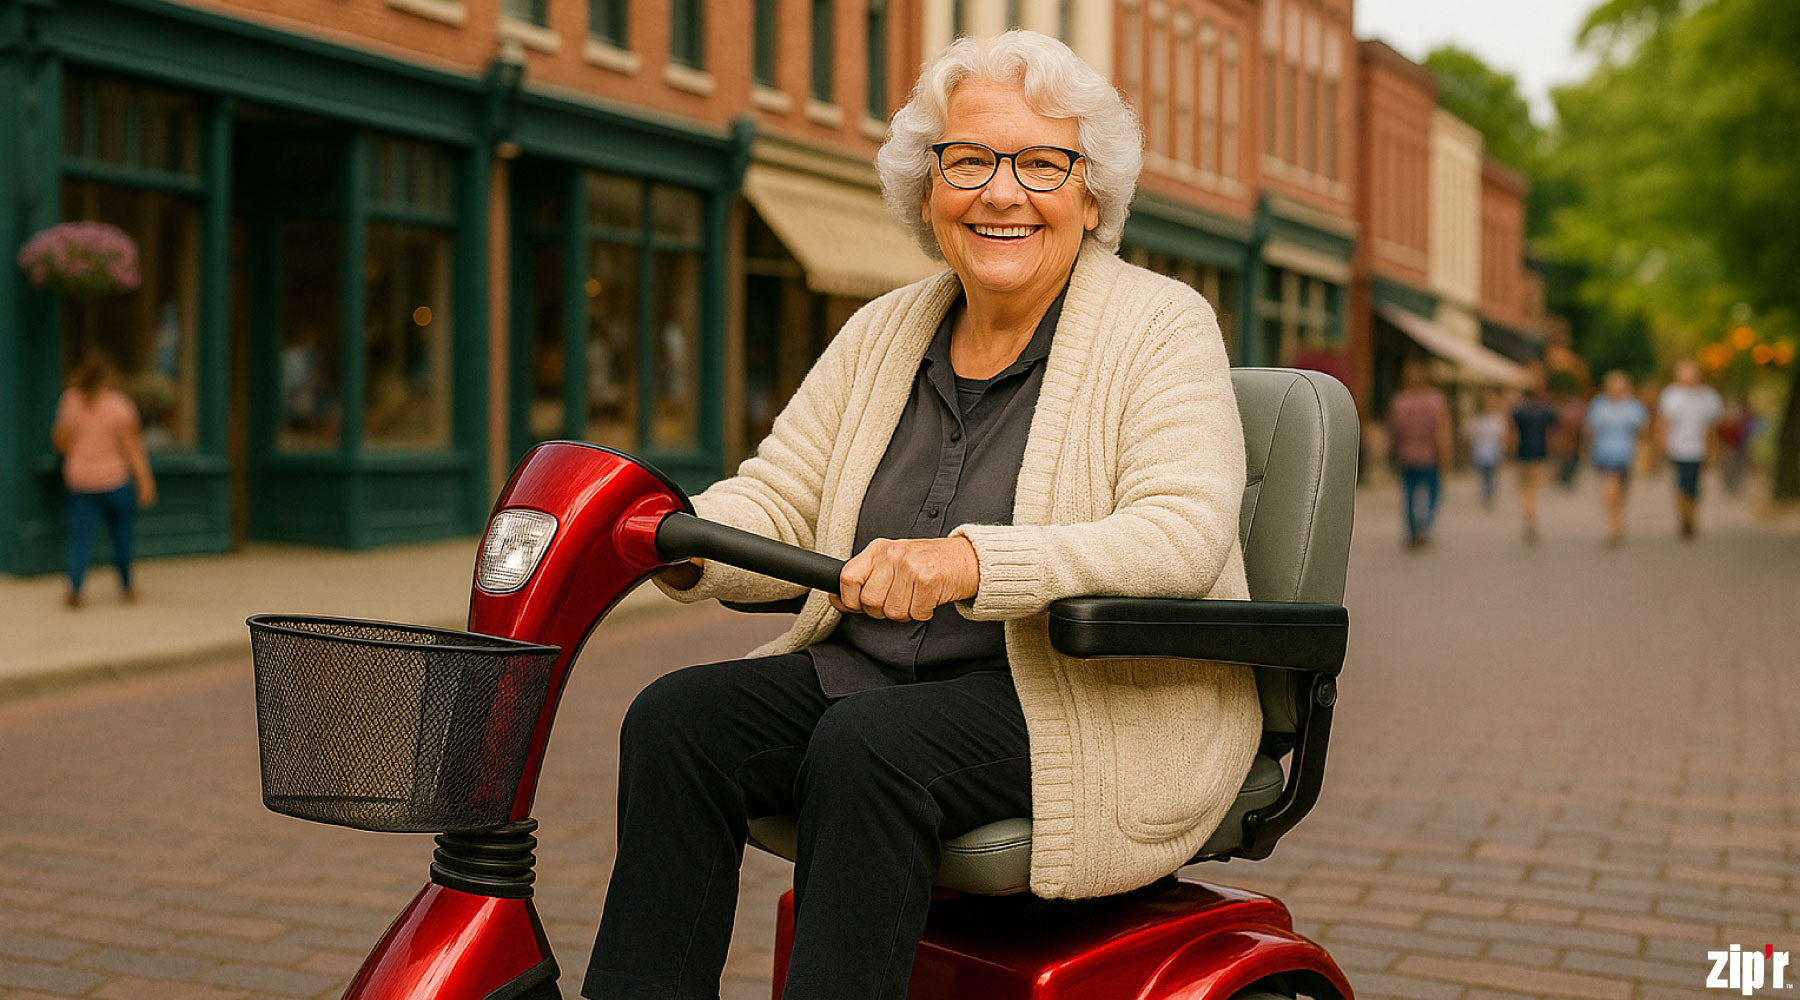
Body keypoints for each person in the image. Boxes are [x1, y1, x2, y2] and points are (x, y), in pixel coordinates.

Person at [584, 31, 1261, 1000]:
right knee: (676, 719)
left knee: (872, 748)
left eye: (1040, 162)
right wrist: (675, 538)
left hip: (1075, 698)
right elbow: (782, 493)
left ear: (1092, 190)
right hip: (872, 676)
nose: (1001, 192)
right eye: (969, 160)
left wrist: (969, 563)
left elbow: (1182, 531)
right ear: (927, 184)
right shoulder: (883, 328)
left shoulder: (1161, 322)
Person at [52, 353, 157, 607]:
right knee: (122, 535)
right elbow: (133, 447)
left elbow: (60, 442)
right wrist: (144, 480)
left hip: (81, 482)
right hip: (115, 481)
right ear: (109, 376)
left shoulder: (70, 400)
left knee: (81, 537)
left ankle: (75, 587)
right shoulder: (120, 404)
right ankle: (126, 585)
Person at [1386, 360, 1451, 548]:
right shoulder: (1435, 401)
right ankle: (1425, 524)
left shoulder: (1399, 402)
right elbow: (1442, 432)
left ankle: (1413, 529)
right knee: (1432, 493)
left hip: (1406, 456)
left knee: (1409, 495)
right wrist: (1445, 456)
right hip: (1429, 456)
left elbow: (1394, 430)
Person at [1656, 357, 1724, 538]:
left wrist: (1714, 450)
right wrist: (1662, 445)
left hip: (1698, 449)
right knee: (1681, 486)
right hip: (1677, 448)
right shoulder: (1671, 395)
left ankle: (1690, 516)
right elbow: (1663, 423)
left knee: (1694, 487)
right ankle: (1686, 517)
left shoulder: (1708, 397)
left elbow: (1713, 428)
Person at [1585, 371, 1649, 546]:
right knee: (1609, 491)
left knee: (1621, 493)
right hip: (1604, 454)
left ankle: (1618, 517)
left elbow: (1642, 431)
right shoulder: (1599, 405)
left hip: (1626, 455)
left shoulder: (1633, 407)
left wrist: (1645, 454)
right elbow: (1591, 429)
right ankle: (1613, 527)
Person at [1511, 376, 1558, 544]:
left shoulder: (1519, 411)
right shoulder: (1546, 411)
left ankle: (1529, 517)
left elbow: (1513, 433)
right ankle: (1531, 517)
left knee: (1525, 490)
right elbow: (1554, 432)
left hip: (1522, 454)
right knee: (1532, 491)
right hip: (1540, 454)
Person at [1468, 390, 1508, 509]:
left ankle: (1488, 496)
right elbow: (1473, 436)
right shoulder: (1477, 419)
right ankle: (1485, 495)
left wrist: (1502, 450)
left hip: (1493, 451)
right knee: (1483, 476)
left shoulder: (1498, 419)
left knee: (1491, 475)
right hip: (1480, 451)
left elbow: (1502, 436)